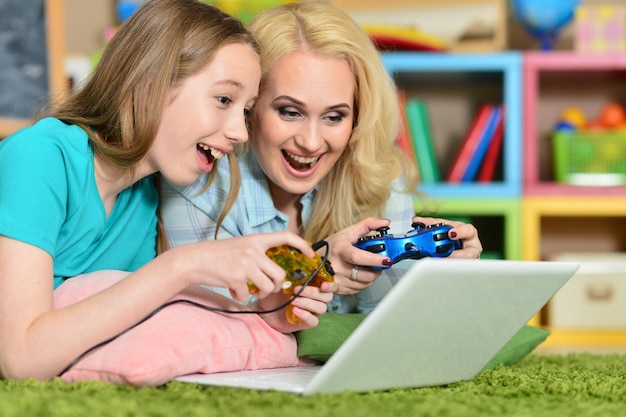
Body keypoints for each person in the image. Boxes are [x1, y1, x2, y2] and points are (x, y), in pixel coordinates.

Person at [0, 0, 334, 382]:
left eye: (245, 111)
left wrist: (263, 312)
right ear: (151, 83)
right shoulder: (39, 157)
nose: (240, 133)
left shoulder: (142, 196)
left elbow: (120, 321)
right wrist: (182, 265)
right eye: (224, 99)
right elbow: (19, 360)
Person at [160, 1, 483, 315]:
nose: (311, 142)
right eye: (289, 112)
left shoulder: (378, 176)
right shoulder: (198, 177)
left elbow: (393, 322)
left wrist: (441, 282)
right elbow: (207, 319)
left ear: (357, 117)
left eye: (333, 117)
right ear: (251, 106)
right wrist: (316, 270)